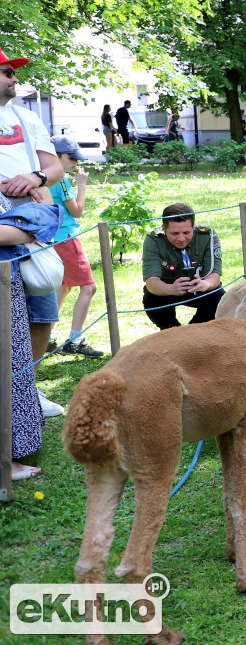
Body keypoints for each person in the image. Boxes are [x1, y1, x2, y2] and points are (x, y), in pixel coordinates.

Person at [0, 46, 67, 418]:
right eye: (7, 72)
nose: (15, 78)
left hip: (27, 213)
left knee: (42, 309)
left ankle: (27, 391)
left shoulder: (27, 117)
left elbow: (55, 167)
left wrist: (35, 178)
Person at [1, 196, 61, 480]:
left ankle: (12, 452)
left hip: (7, 284)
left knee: (15, 367)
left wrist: (23, 227)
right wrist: (21, 229)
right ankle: (3, 462)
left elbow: (46, 216)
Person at [48, 135, 104, 357]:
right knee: (89, 287)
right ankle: (75, 340)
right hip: (66, 238)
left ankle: (49, 337)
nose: (75, 163)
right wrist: (82, 185)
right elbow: (78, 211)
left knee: (62, 287)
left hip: (50, 238)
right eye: (71, 158)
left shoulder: (42, 178)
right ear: (56, 157)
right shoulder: (61, 180)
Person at [141, 203, 224, 329]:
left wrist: (206, 284)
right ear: (164, 228)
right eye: (174, 233)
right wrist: (171, 289)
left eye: (186, 232)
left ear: (194, 227)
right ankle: (172, 333)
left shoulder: (207, 236)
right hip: (167, 288)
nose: (181, 238)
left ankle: (193, 333)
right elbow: (151, 282)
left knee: (219, 297)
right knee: (151, 301)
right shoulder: (154, 240)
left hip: (198, 287)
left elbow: (215, 275)